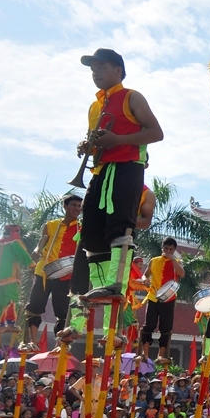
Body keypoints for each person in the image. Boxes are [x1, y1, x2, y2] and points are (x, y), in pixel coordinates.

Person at [72, 48, 163, 318]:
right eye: (93, 69)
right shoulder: (95, 106)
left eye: (101, 67)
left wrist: (118, 141)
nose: (95, 73)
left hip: (127, 168)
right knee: (90, 231)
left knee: (119, 226)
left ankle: (116, 285)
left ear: (118, 70)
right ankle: (99, 286)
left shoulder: (132, 96)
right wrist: (88, 146)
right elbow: (98, 139)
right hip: (100, 171)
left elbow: (156, 133)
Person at [26, 194, 82, 343]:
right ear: (65, 206)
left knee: (62, 312)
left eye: (79, 206)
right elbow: (42, 242)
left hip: (65, 275)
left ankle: (59, 345)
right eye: (74, 205)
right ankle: (32, 342)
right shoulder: (50, 225)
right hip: (43, 272)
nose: (77, 208)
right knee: (35, 306)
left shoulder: (81, 228)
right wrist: (37, 251)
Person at [139, 237, 184, 363]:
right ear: (162, 248)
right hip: (153, 297)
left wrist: (173, 259)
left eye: (171, 249)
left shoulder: (176, 262)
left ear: (174, 250)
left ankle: (161, 355)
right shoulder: (154, 260)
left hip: (168, 298)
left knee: (165, 328)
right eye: (166, 248)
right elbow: (145, 275)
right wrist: (145, 280)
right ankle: (145, 354)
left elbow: (182, 274)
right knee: (149, 325)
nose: (168, 251)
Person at [0, 224, 32, 332]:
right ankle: (10, 324)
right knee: (11, 300)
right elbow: (24, 257)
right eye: (17, 231)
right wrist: (32, 265)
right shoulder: (14, 243)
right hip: (10, 278)